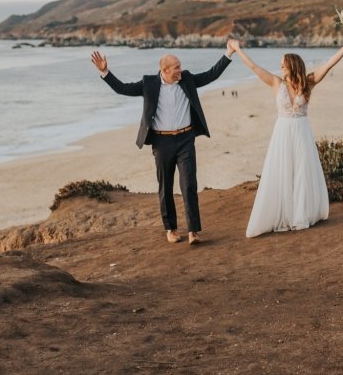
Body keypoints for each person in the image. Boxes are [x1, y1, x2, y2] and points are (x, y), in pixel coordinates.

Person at [91, 41, 236, 245]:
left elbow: (212, 74)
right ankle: (171, 229)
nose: (180, 70)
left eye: (180, 66)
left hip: (186, 139)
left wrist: (228, 53)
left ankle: (193, 231)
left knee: (189, 185)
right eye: (176, 67)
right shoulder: (149, 83)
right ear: (165, 69)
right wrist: (106, 72)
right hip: (161, 142)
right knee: (165, 187)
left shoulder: (187, 79)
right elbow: (123, 88)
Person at [231, 39, 343, 237]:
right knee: (283, 171)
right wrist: (237, 49)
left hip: (302, 132)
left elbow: (329, 63)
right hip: (282, 132)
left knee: (301, 172)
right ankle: (284, 214)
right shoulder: (276, 83)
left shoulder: (308, 82)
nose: (280, 66)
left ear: (292, 65)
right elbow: (254, 66)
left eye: (283, 63)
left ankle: (300, 214)